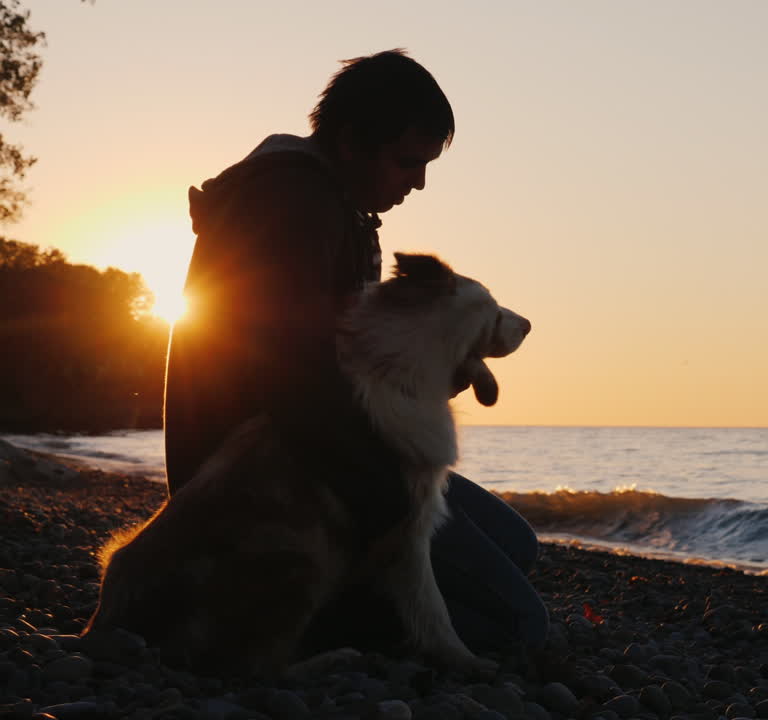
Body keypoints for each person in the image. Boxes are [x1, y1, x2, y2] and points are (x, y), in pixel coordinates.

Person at [162, 49, 547, 654]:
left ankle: (353, 593)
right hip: (265, 486)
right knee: (517, 629)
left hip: (316, 453)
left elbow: (341, 362)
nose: (417, 182)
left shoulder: (330, 204)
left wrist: (432, 371)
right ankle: (306, 615)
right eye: (407, 162)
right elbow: (294, 382)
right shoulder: (291, 207)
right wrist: (387, 503)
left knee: (518, 546)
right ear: (349, 141)